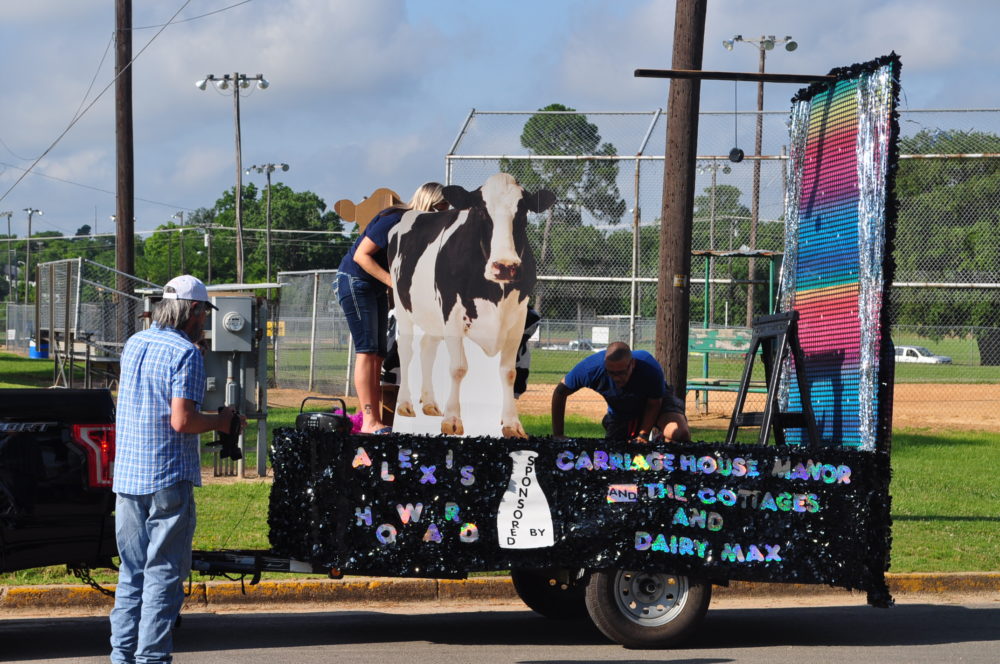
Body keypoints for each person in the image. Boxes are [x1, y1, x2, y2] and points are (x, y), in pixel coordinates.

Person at [110, 274, 245, 664]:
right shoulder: (185, 353)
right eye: (203, 313)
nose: (203, 320)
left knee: (131, 572)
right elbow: (182, 421)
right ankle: (151, 659)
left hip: (129, 475)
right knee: (164, 575)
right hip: (167, 475)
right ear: (195, 311)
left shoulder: (135, 343)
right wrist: (222, 421)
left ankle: (122, 656)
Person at [336, 182, 447, 434]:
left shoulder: (418, 231)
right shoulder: (395, 219)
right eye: (440, 209)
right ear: (427, 203)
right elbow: (361, 256)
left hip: (373, 286)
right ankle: (368, 421)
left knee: (378, 355)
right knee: (367, 351)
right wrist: (394, 286)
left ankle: (374, 420)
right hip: (354, 281)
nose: (442, 216)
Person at [551, 341, 691, 443]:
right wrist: (558, 434)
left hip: (656, 403)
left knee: (679, 434)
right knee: (615, 452)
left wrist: (643, 435)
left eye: (621, 373)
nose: (617, 378)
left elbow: (654, 403)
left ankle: (660, 444)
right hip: (621, 409)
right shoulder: (590, 369)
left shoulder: (649, 367)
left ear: (632, 364)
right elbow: (560, 392)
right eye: (611, 373)